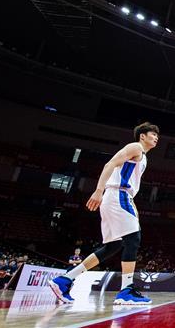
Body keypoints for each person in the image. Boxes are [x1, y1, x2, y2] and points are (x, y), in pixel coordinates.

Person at [49, 122, 160, 305]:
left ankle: (65, 279)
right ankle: (126, 291)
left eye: (157, 135)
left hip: (119, 197)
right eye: (153, 134)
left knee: (113, 246)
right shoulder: (136, 147)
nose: (156, 137)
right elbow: (110, 163)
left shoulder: (143, 156)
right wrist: (98, 190)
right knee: (133, 239)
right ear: (142, 136)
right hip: (118, 194)